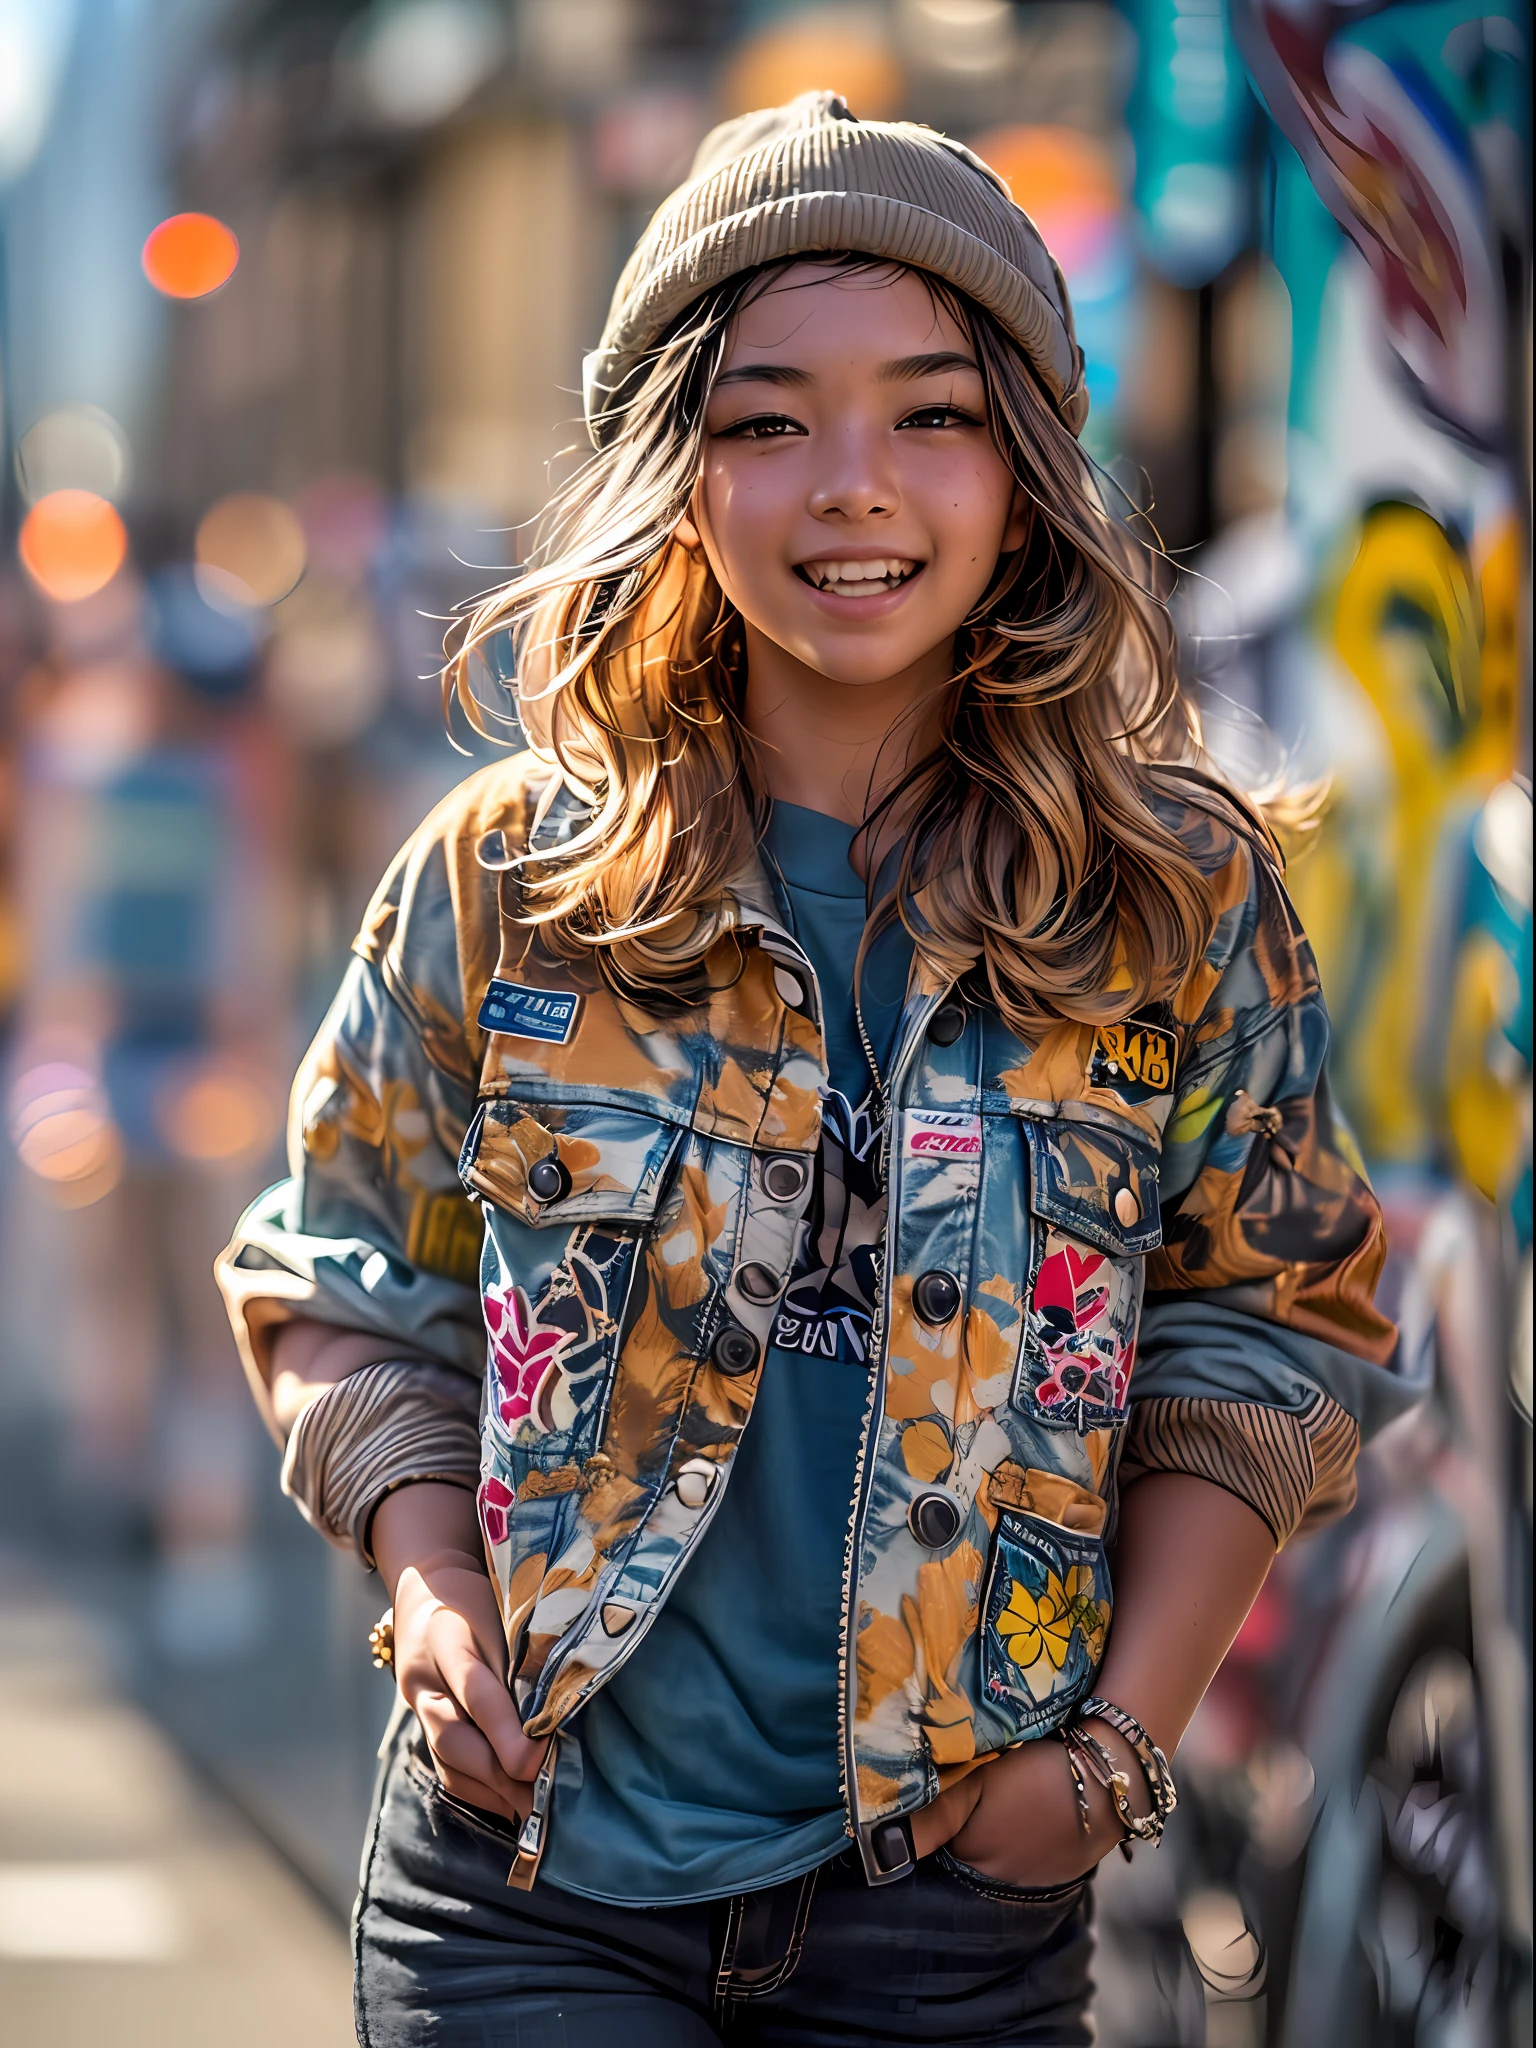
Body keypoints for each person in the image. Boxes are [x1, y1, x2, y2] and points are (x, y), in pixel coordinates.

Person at [217, 92, 1407, 2047]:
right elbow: (347, 1274)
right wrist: (434, 1601)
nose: (852, 483)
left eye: (931, 412)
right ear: (678, 471)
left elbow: (1272, 1327)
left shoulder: (1178, 903)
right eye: (769, 420)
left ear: (1025, 468)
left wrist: (1112, 1751)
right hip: (532, 1893)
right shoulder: (512, 884)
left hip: (951, 1917)